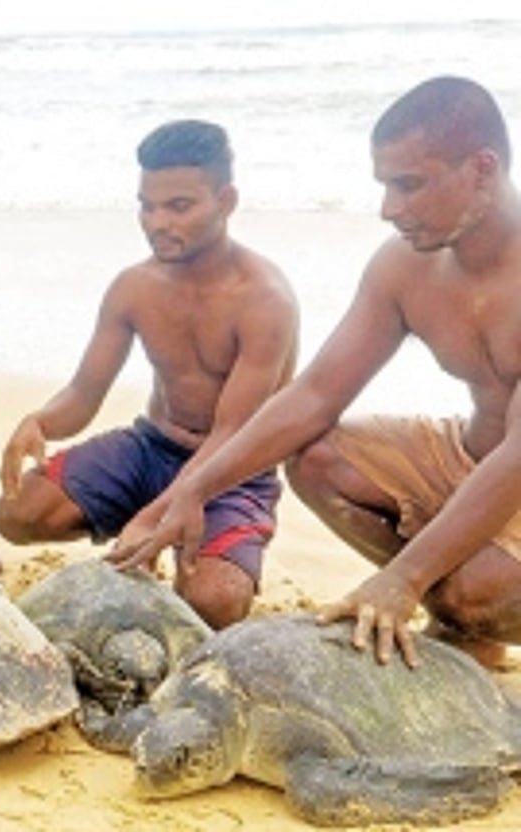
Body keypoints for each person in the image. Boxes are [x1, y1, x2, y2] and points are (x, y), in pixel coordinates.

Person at [114, 76, 521, 669]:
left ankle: (457, 607)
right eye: (385, 186)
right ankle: (459, 620)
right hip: (466, 452)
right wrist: (191, 491)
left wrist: (403, 579)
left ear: (482, 169)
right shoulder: (405, 266)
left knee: (471, 592)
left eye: (409, 186)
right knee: (317, 454)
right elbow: (313, 395)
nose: (389, 209)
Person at [0, 120, 299, 629]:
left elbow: (231, 434)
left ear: (225, 201)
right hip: (150, 449)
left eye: (178, 206)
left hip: (232, 471)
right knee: (18, 513)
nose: (157, 221)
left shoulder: (265, 300)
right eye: (146, 205)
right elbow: (84, 393)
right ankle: (141, 519)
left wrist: (154, 517)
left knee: (215, 601)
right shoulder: (134, 288)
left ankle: (179, 541)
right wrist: (41, 422)